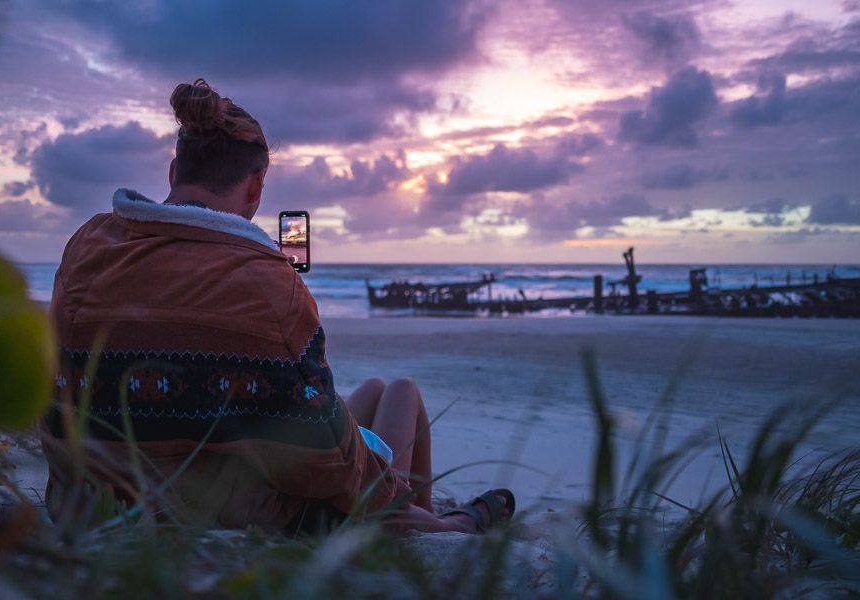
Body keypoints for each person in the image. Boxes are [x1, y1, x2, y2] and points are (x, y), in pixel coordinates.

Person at [42, 78, 512, 535]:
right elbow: (333, 465)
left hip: (90, 500)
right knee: (404, 393)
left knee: (372, 389)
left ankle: (426, 522)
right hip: (230, 518)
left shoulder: (87, 246)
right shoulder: (268, 287)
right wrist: (391, 498)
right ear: (256, 186)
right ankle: (434, 530)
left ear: (172, 173)